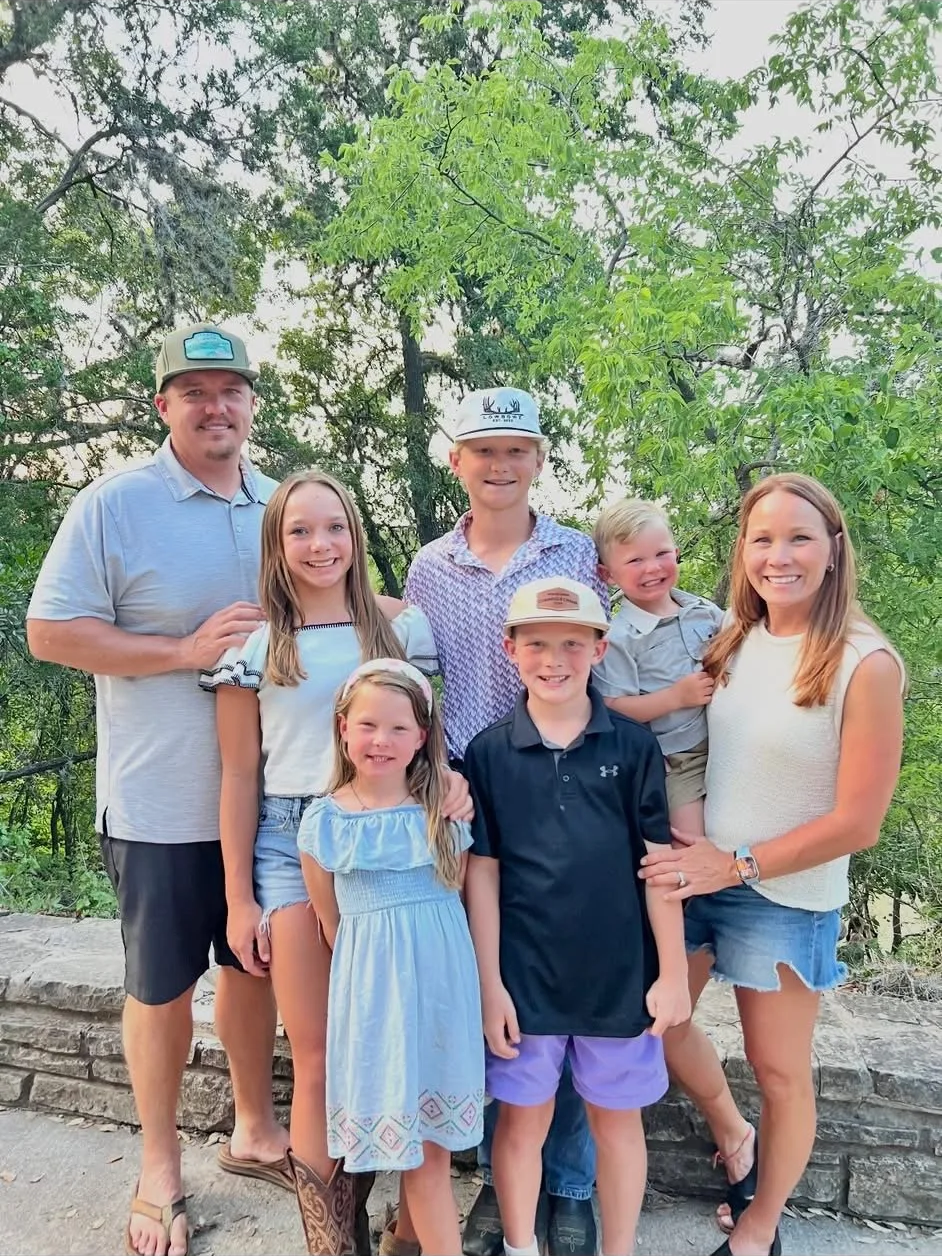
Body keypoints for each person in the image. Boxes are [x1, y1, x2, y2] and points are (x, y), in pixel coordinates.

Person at [26, 323, 291, 1256]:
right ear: (163, 405)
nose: (216, 406)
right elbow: (50, 632)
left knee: (250, 965)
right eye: (194, 391)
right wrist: (182, 653)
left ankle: (256, 1133)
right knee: (161, 985)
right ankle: (159, 1164)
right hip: (160, 802)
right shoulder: (115, 503)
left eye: (231, 389)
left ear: (253, 402)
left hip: (274, 797)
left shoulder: (283, 505)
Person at [199, 469, 470, 1254]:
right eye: (299, 531)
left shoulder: (402, 628)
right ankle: (331, 1240)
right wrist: (239, 899)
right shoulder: (254, 650)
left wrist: (449, 786)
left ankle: (409, 1228)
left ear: (354, 535)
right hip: (293, 845)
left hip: (398, 851)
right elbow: (239, 776)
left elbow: (431, 738)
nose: (319, 546)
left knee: (405, 1043)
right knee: (317, 1050)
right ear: (276, 546)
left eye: (334, 529)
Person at [639, 474, 905, 1256]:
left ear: (833, 549)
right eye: (762, 538)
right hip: (702, 870)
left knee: (779, 1071)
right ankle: (733, 1131)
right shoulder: (733, 637)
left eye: (798, 538)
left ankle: (758, 1228)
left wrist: (740, 865)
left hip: (782, 893)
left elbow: (861, 821)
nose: (778, 555)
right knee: (657, 1023)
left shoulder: (866, 661)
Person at [405, 388, 609, 1256]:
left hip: (564, 796)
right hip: (468, 802)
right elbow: (419, 684)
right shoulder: (426, 567)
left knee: (565, 992)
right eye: (482, 450)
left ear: (537, 458)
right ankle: (501, 1179)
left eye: (516, 449)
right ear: (457, 461)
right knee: (494, 996)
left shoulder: (576, 552)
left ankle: (569, 1186)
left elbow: (600, 656)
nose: (500, 465)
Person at [463, 577, 690, 1256]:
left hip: (620, 978)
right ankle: (520, 1244)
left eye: (571, 643)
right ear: (509, 649)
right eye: (536, 643)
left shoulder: (631, 746)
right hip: (524, 980)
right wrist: (489, 985)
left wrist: (672, 972)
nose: (553, 658)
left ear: (599, 648)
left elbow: (660, 867)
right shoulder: (488, 752)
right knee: (520, 1126)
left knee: (617, 1127)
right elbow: (483, 871)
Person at [297, 659, 485, 1256]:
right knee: (413, 1146)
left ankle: (413, 1242)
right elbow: (331, 922)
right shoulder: (325, 822)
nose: (382, 740)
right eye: (368, 725)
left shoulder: (444, 812)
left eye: (400, 728)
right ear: (343, 729)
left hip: (441, 991)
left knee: (430, 1146)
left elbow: (463, 898)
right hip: (375, 996)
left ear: (422, 737)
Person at [591, 499, 723, 837]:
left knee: (735, 835)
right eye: (635, 560)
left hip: (728, 741)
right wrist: (675, 698)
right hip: (677, 758)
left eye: (661, 554)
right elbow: (614, 709)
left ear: (676, 553)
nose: (652, 568)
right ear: (607, 574)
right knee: (689, 844)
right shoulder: (619, 638)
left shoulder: (702, 610)